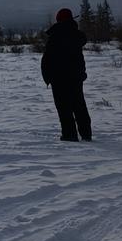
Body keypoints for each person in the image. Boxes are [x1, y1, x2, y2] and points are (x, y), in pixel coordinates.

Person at [41, 8, 92, 142]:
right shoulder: (77, 36)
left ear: (59, 20)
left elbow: (47, 59)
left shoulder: (55, 36)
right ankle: (86, 134)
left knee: (64, 108)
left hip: (59, 78)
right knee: (79, 105)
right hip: (76, 77)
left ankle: (69, 135)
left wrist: (48, 77)